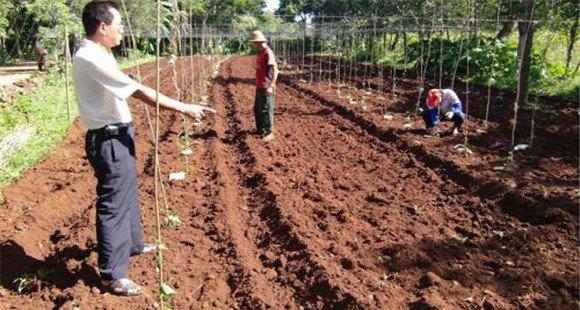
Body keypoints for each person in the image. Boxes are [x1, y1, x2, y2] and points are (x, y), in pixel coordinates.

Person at [72, 1, 215, 296]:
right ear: (103, 27)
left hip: (118, 135)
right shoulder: (90, 56)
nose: (123, 30)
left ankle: (135, 244)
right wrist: (185, 108)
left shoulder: (101, 52)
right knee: (113, 203)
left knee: (128, 191)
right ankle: (113, 275)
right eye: (119, 25)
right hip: (108, 139)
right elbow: (138, 90)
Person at [250, 30, 279, 142]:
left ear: (258, 42)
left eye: (254, 43)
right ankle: (261, 130)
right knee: (258, 109)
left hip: (266, 86)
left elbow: (275, 70)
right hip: (260, 85)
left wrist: (271, 86)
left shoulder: (268, 52)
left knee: (266, 109)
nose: (252, 45)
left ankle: (269, 132)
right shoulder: (261, 52)